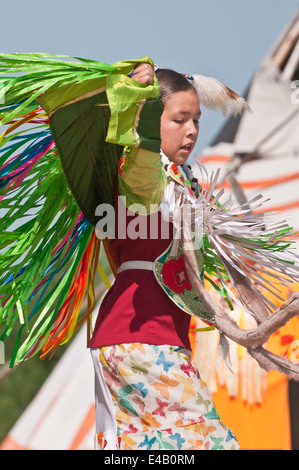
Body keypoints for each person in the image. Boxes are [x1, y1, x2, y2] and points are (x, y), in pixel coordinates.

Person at [89, 63, 240, 451]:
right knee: (212, 445)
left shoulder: (183, 186)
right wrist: (140, 104)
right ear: (153, 120)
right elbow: (142, 155)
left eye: (196, 120)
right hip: (139, 339)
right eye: (179, 119)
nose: (191, 130)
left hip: (157, 338)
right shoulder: (141, 177)